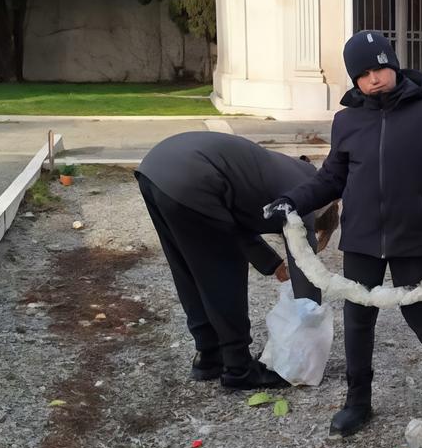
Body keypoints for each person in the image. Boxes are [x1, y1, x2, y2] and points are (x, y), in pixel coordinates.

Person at [267, 30, 422, 437]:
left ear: (393, 65)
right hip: (361, 239)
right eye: (362, 73)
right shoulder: (347, 121)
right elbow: (330, 178)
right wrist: (292, 200)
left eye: (380, 67)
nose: (373, 78)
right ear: (355, 80)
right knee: (358, 320)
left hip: (413, 236)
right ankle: (357, 400)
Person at [136, 131, 338, 390]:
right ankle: (239, 368)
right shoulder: (309, 199)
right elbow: (305, 268)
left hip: (155, 169)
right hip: (195, 177)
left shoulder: (287, 171)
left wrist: (271, 263)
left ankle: (209, 356)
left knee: (187, 268)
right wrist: (310, 319)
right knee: (223, 272)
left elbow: (234, 221)